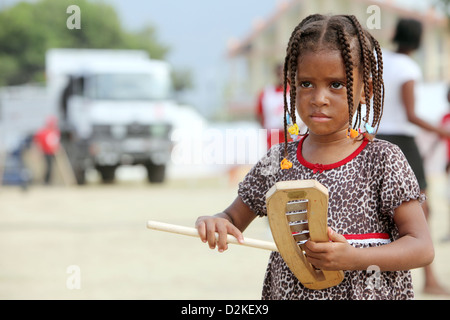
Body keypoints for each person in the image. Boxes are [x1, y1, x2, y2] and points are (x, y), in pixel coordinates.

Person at [195, 14, 434, 300]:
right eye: (306, 83)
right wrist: (217, 221)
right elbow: (233, 218)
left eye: (336, 85)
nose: (319, 98)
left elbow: (421, 247)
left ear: (364, 91)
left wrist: (352, 258)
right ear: (292, 87)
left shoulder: (382, 160)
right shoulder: (279, 160)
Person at [376, 18, 450, 296]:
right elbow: (410, 115)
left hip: (379, 137)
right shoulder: (408, 67)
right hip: (402, 142)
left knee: (383, 212)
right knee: (420, 211)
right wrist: (442, 130)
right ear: (418, 40)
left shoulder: (380, 60)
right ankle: (429, 278)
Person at [256, 63, 290, 149]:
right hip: (274, 135)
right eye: (280, 73)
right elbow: (259, 115)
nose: (282, 76)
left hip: (292, 135)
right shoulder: (266, 93)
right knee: (275, 160)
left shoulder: (296, 92)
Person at [34, 116, 60, 185]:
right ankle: (46, 181)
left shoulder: (55, 131)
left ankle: (50, 181)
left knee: (52, 167)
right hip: (46, 152)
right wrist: (39, 151)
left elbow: (55, 142)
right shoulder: (43, 132)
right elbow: (38, 142)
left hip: (53, 152)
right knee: (48, 167)